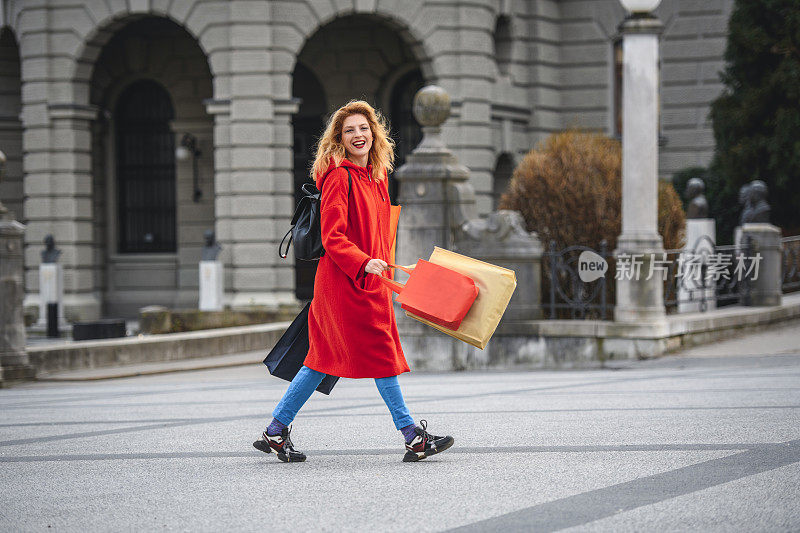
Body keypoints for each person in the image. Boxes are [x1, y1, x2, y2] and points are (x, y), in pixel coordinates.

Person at [253, 100, 454, 463]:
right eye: (350, 131)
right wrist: (366, 263)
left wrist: (387, 263)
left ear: (374, 133)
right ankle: (412, 436)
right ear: (340, 139)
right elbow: (333, 237)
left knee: (320, 360)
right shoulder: (338, 176)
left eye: (364, 128)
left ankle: (275, 430)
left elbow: (376, 233)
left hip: (370, 280)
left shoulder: (377, 178)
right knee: (380, 355)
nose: (358, 135)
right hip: (345, 283)